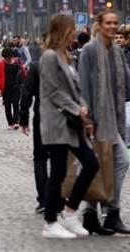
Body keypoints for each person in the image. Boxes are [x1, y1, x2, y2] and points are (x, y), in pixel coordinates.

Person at [39, 14, 99, 239]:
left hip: (71, 122)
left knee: (91, 163)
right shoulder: (49, 57)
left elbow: (75, 89)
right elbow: (53, 92)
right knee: (58, 171)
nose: (74, 32)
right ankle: (50, 222)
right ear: (62, 30)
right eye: (71, 29)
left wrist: (83, 109)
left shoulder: (67, 56)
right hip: (56, 122)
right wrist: (77, 109)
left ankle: (70, 212)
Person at [78, 11, 130, 235]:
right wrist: (88, 119)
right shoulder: (89, 50)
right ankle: (109, 211)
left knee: (109, 163)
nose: (112, 26)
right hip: (97, 119)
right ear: (99, 25)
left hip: (114, 117)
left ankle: (98, 213)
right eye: (108, 23)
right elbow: (83, 84)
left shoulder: (117, 51)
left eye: (115, 23)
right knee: (114, 161)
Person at [19, 36, 49, 215]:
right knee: (45, 158)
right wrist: (23, 117)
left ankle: (47, 198)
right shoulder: (65, 64)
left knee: (44, 158)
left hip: (46, 117)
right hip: (47, 117)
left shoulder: (37, 66)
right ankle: (50, 198)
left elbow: (26, 93)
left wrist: (23, 118)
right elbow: (27, 93)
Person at [0, 48, 25, 130]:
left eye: (8, 57)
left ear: (11, 56)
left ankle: (16, 122)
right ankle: (10, 122)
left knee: (16, 104)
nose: (7, 59)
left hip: (16, 87)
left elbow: (23, 72)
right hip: (5, 88)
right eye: (5, 58)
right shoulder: (1, 64)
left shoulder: (17, 62)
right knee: (7, 106)